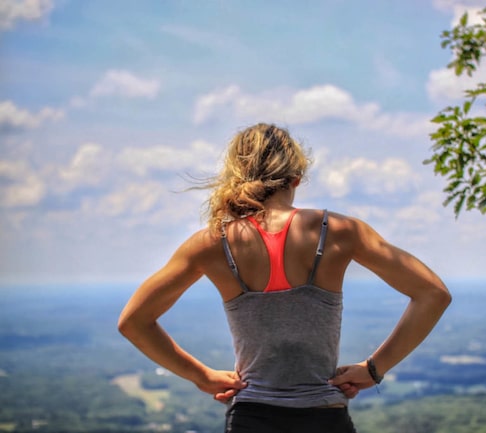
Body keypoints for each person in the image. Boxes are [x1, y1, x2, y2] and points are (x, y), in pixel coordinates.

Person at [118, 123, 451, 433]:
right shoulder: (339, 232)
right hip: (325, 417)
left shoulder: (211, 243)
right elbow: (433, 293)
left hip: (251, 417)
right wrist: (375, 369)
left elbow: (133, 321)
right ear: (296, 177)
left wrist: (200, 376)